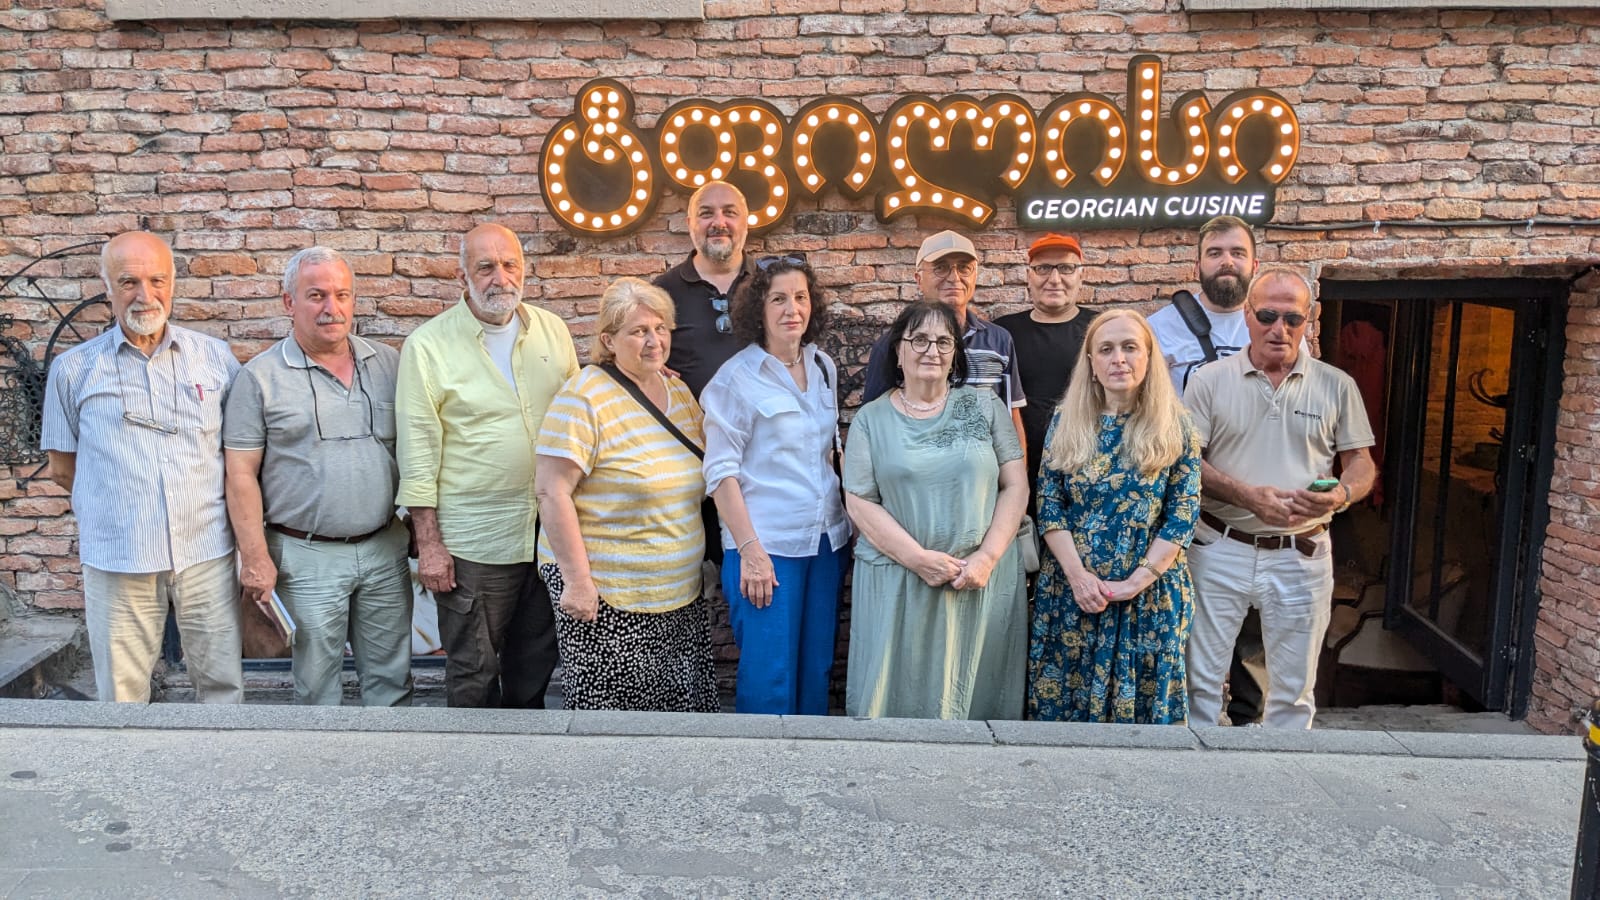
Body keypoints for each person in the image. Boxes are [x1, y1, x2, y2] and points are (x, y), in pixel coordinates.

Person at [40, 231, 244, 703]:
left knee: (222, 689)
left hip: (205, 553)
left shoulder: (216, 359)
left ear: (173, 283)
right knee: (123, 696)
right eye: (128, 281)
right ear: (106, 286)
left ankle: (224, 772)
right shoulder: (73, 369)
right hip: (118, 557)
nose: (144, 295)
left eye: (157, 280)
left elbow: (238, 456)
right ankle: (129, 777)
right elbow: (62, 469)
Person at [396, 223, 579, 709]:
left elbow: (583, 415)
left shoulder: (552, 331)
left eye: (510, 264)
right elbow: (417, 451)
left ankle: (525, 777)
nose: (500, 277)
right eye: (485, 266)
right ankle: (468, 778)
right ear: (463, 274)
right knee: (474, 673)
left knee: (534, 668)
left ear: (525, 268)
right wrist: (429, 545)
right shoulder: (428, 346)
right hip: (474, 544)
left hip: (546, 536)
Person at [1184, 267, 1376, 730]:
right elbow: (1186, 462)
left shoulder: (1336, 385)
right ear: (1247, 317)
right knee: (1199, 683)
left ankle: (1282, 789)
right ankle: (1193, 784)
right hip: (1219, 546)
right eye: (1268, 315)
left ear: (1310, 320)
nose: (1280, 328)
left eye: (1293, 318)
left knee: (1293, 691)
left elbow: (1362, 465)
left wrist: (1342, 495)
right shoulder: (1208, 381)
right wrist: (1247, 496)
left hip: (1301, 553)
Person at [223, 246, 412, 707]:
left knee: (393, 680)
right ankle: (322, 774)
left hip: (385, 547)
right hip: (306, 557)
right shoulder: (260, 378)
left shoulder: (389, 365)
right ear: (289, 302)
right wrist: (255, 557)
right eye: (316, 295)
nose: (332, 308)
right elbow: (240, 474)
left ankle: (395, 772)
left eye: (342, 294)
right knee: (317, 686)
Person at [533, 278, 718, 712]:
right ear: (608, 340)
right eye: (638, 332)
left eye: (661, 328)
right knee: (613, 729)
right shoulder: (583, 398)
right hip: (608, 600)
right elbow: (551, 490)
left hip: (677, 597)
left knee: (677, 720)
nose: (654, 341)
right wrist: (578, 582)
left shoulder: (678, 392)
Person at [842, 300, 1030, 720]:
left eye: (944, 341)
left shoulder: (986, 408)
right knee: (894, 696)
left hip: (979, 581)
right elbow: (859, 499)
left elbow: (1015, 484)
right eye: (920, 339)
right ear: (898, 349)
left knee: (977, 702)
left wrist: (986, 557)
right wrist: (918, 559)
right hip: (898, 581)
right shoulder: (870, 420)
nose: (932, 350)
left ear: (956, 355)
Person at [1027, 309, 1201, 725]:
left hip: (1150, 599)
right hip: (1071, 596)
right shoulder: (1066, 422)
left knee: (1143, 729)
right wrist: (1078, 577)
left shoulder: (1176, 426)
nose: (1117, 359)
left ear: (1148, 356)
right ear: (1091, 362)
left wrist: (1135, 582)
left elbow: (1183, 513)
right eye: (1105, 349)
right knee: (1064, 718)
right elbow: (1049, 504)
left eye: (1129, 347)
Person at [701, 255, 850, 715]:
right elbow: (720, 474)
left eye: (801, 298)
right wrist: (750, 551)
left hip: (826, 543)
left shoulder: (822, 365)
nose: (792, 309)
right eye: (779, 299)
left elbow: (828, 452)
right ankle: (760, 777)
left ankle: (809, 776)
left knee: (816, 669)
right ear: (758, 310)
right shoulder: (736, 379)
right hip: (767, 549)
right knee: (770, 679)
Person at [860, 230, 1028, 460]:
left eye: (964, 268)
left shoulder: (999, 341)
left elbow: (1012, 413)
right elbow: (874, 422)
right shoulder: (894, 345)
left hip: (987, 479)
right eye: (941, 267)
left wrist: (1018, 476)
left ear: (975, 276)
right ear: (918, 278)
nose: (954, 277)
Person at [995, 233, 1098, 512]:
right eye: (1043, 268)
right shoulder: (1002, 334)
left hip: (1087, 475)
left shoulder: (1101, 330)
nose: (1054, 279)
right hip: (1016, 477)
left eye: (1065, 268)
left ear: (1081, 276)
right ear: (1028, 276)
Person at [655, 180, 756, 400]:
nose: (719, 222)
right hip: (687, 430)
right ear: (690, 223)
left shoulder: (770, 285)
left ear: (746, 222)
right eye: (706, 213)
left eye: (729, 212)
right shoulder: (661, 293)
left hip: (765, 430)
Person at [1147, 215, 1259, 397]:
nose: (1227, 261)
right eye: (1215, 253)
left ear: (1255, 266)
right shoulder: (1159, 328)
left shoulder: (1280, 325)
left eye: (1238, 253)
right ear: (1197, 267)